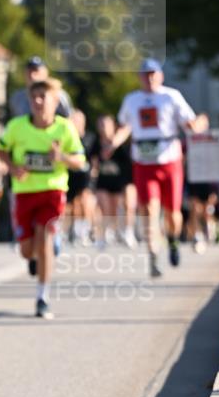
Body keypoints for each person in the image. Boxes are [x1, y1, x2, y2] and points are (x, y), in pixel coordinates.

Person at [0, 78, 86, 319]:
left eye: (43, 97)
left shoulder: (64, 128)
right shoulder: (17, 126)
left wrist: (62, 157)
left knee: (45, 238)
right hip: (24, 192)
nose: (37, 101)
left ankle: (42, 297)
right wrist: (13, 167)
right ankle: (34, 257)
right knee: (27, 251)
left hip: (53, 191)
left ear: (55, 102)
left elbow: (80, 161)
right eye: (34, 97)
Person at [110, 59, 209, 277]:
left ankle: (172, 240)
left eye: (153, 74)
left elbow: (190, 123)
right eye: (145, 74)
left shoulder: (171, 96)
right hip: (143, 163)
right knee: (149, 210)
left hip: (169, 161)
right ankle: (153, 254)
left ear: (161, 76)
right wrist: (114, 142)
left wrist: (198, 124)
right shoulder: (132, 100)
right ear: (140, 77)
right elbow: (124, 126)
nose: (150, 78)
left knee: (172, 212)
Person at [88, 115, 134, 247]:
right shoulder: (96, 142)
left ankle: (127, 231)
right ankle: (106, 232)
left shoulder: (121, 142)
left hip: (122, 180)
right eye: (100, 125)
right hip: (104, 180)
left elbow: (130, 162)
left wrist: (113, 145)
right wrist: (93, 171)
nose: (103, 128)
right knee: (106, 207)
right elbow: (93, 161)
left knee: (127, 204)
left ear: (113, 126)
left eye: (106, 124)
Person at [8, 56, 73, 120]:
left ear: (46, 73)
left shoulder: (58, 95)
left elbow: (68, 118)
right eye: (29, 72)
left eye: (36, 71)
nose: (32, 76)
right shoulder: (17, 97)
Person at [65, 109, 95, 246]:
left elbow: (95, 157)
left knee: (84, 199)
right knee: (70, 205)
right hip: (70, 174)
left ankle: (84, 230)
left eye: (77, 121)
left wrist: (95, 170)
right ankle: (71, 230)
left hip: (85, 175)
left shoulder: (90, 138)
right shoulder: (66, 138)